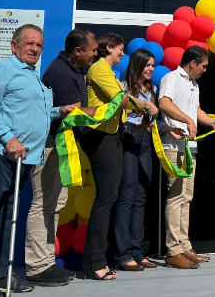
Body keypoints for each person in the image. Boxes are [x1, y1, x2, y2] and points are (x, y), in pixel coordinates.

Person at [0, 24, 76, 297]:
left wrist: (60, 110)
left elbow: (35, 115)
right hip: (2, 156)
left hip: (25, 160)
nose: (34, 48)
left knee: (6, 221)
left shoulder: (34, 77)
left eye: (39, 45)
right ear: (14, 46)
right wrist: (8, 138)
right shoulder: (5, 69)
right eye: (29, 43)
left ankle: (3, 277)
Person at [80, 33, 159, 281]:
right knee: (110, 199)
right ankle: (100, 261)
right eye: (119, 49)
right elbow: (121, 99)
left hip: (112, 134)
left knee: (114, 198)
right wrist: (145, 106)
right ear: (108, 48)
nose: (122, 53)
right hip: (101, 134)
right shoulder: (100, 69)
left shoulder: (108, 71)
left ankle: (100, 259)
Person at [24, 29, 97, 287]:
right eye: (92, 50)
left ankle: (46, 263)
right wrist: (104, 111)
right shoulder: (63, 73)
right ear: (78, 52)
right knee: (44, 203)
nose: (95, 54)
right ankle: (36, 266)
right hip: (50, 146)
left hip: (61, 146)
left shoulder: (73, 70)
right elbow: (72, 114)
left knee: (56, 203)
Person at [158, 46, 215, 269]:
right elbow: (164, 104)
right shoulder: (171, 78)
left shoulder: (194, 84)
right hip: (173, 145)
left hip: (189, 146)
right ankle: (173, 250)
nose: (205, 70)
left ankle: (185, 246)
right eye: (204, 66)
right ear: (193, 63)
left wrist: (211, 121)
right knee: (176, 195)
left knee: (187, 196)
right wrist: (187, 121)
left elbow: (195, 109)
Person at [113, 48, 166, 271]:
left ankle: (137, 251)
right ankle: (122, 254)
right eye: (147, 65)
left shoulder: (152, 89)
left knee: (141, 197)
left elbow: (157, 120)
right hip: (128, 141)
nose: (151, 69)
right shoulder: (124, 88)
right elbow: (116, 120)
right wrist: (138, 125)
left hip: (145, 144)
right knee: (127, 197)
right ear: (137, 65)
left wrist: (165, 128)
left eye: (153, 65)